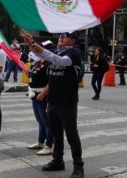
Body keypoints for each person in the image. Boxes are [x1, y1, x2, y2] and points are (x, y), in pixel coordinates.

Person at [24, 31, 84, 178]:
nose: (61, 37)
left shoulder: (74, 52)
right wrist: (31, 43)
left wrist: (40, 50)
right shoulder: (55, 51)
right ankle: (58, 160)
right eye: (60, 35)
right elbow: (38, 54)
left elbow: (60, 61)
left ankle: (78, 166)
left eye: (66, 36)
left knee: (71, 134)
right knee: (56, 133)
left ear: (73, 40)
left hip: (67, 101)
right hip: (53, 100)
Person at [27, 41, 53, 156]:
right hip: (35, 94)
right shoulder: (38, 61)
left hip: (43, 95)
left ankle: (49, 145)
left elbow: (52, 81)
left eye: (38, 48)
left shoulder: (50, 62)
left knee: (47, 122)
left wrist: (42, 94)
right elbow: (32, 75)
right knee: (40, 121)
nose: (35, 49)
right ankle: (40, 142)